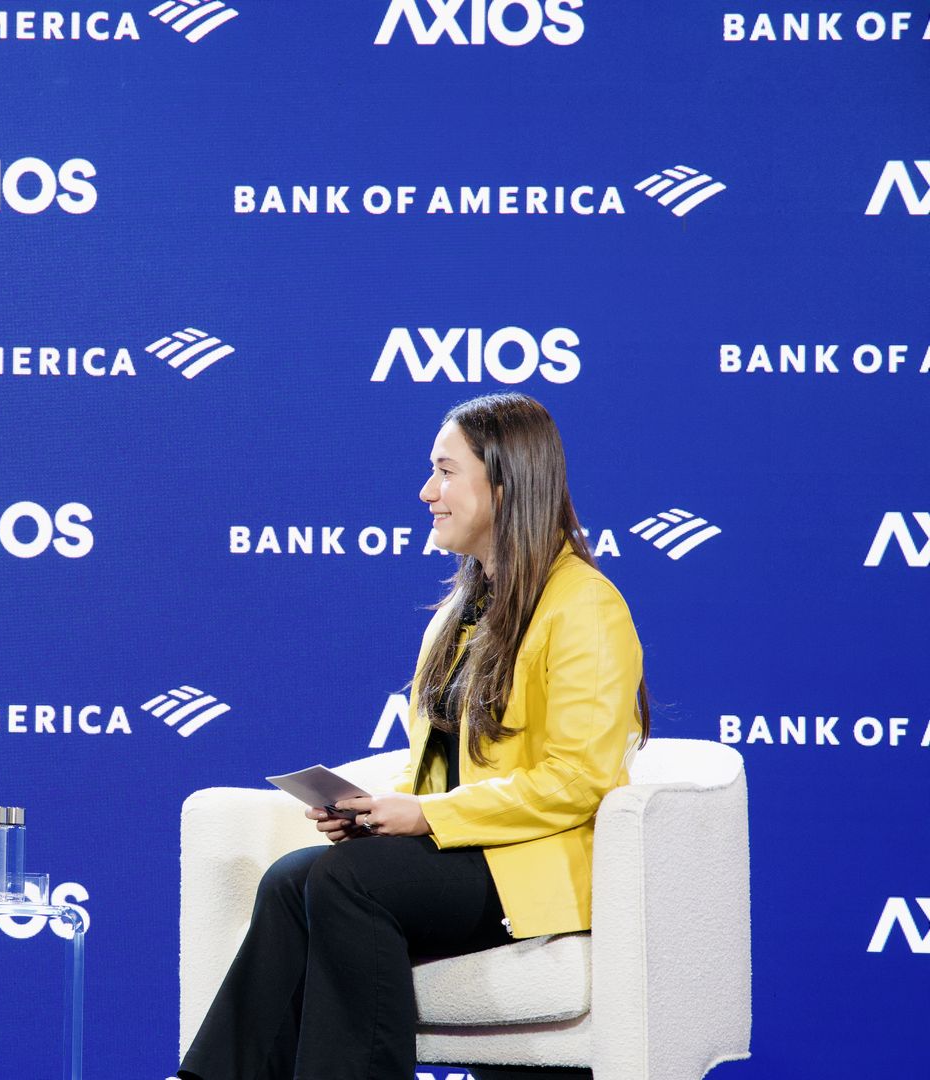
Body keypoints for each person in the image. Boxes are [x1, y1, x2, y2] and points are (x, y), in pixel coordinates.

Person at [178, 393, 647, 1080]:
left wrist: (426, 816)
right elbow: (439, 768)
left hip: (529, 866)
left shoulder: (587, 608)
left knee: (345, 883)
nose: (428, 492)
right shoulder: (459, 614)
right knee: (288, 881)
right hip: (461, 851)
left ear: (506, 481)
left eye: (446, 472)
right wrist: (376, 816)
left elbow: (580, 780)